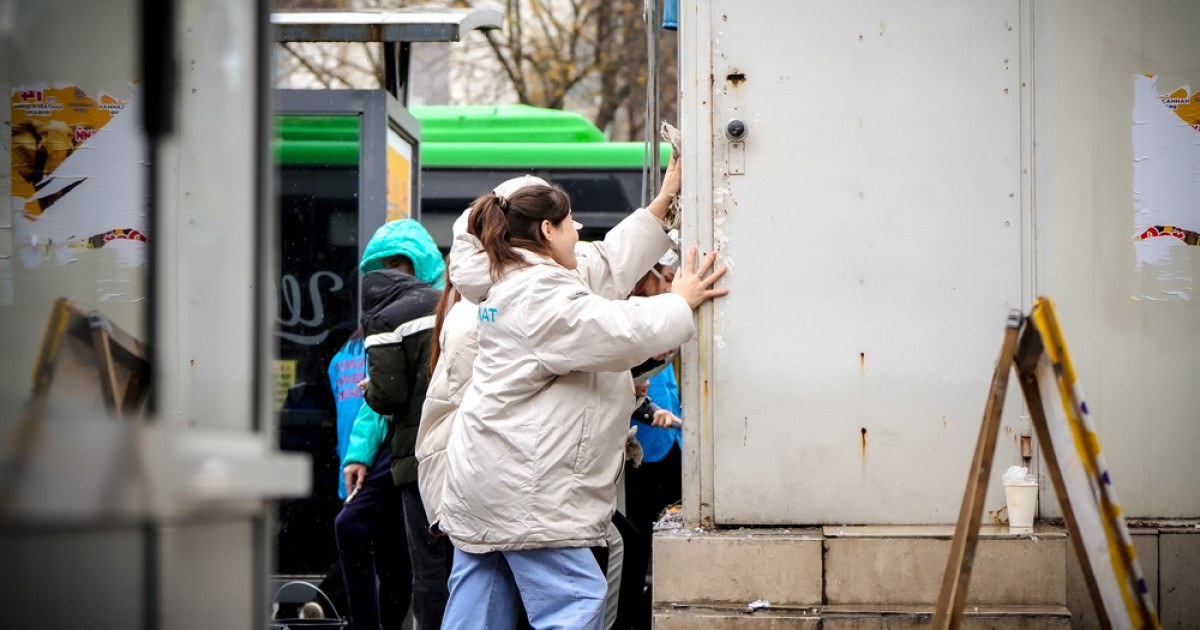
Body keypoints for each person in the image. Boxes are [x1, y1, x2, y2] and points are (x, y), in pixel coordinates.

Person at [438, 157, 729, 629]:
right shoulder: (538, 292)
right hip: (529, 491)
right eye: (572, 222)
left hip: (489, 481)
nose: (581, 229)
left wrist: (661, 203)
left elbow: (608, 262)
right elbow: (616, 330)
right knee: (573, 603)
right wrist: (680, 300)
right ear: (547, 231)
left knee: (478, 612)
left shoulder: (516, 276)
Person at [338, 218, 454, 630]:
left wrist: (360, 452)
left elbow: (384, 395)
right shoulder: (450, 306)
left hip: (413, 454)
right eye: (386, 265)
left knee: (425, 563)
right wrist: (359, 453)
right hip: (422, 452)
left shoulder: (407, 314)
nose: (391, 273)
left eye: (399, 264)